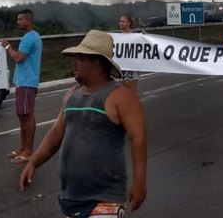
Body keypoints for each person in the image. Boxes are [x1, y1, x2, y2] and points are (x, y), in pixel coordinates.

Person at [19, 30, 147, 217]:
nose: (74, 62)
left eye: (80, 57)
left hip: (104, 201)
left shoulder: (121, 96)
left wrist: (140, 181)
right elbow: (55, 136)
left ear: (95, 61)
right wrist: (33, 163)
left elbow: (139, 138)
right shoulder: (71, 94)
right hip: (70, 199)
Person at [1, 9, 43, 164]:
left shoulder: (29, 38)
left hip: (27, 83)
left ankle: (28, 151)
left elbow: (18, 58)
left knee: (27, 115)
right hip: (24, 82)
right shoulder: (32, 37)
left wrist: (7, 47)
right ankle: (22, 147)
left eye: (20, 19)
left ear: (27, 20)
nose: (17, 22)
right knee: (22, 115)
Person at [117, 13, 140, 92]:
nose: (120, 23)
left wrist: (145, 37)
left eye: (123, 21)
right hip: (121, 69)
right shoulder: (117, 37)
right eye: (120, 21)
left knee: (130, 93)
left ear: (129, 23)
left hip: (131, 68)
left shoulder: (136, 36)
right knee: (121, 93)